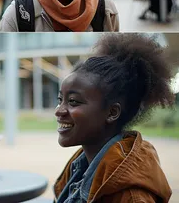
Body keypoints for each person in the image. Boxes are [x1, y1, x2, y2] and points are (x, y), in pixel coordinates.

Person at [54, 33, 173, 203]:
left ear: (112, 113)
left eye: (73, 101)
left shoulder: (132, 198)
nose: (59, 111)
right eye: (60, 100)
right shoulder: (79, 167)